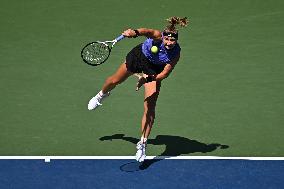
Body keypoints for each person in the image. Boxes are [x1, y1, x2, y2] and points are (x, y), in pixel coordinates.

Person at [88, 16, 188, 162]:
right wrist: (133, 32)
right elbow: (144, 31)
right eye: (167, 39)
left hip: (154, 70)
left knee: (150, 106)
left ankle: (142, 143)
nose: (169, 43)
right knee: (113, 80)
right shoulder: (156, 35)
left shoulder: (176, 53)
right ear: (163, 37)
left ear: (176, 40)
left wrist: (146, 79)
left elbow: (164, 74)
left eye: (173, 40)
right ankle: (101, 94)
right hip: (139, 56)